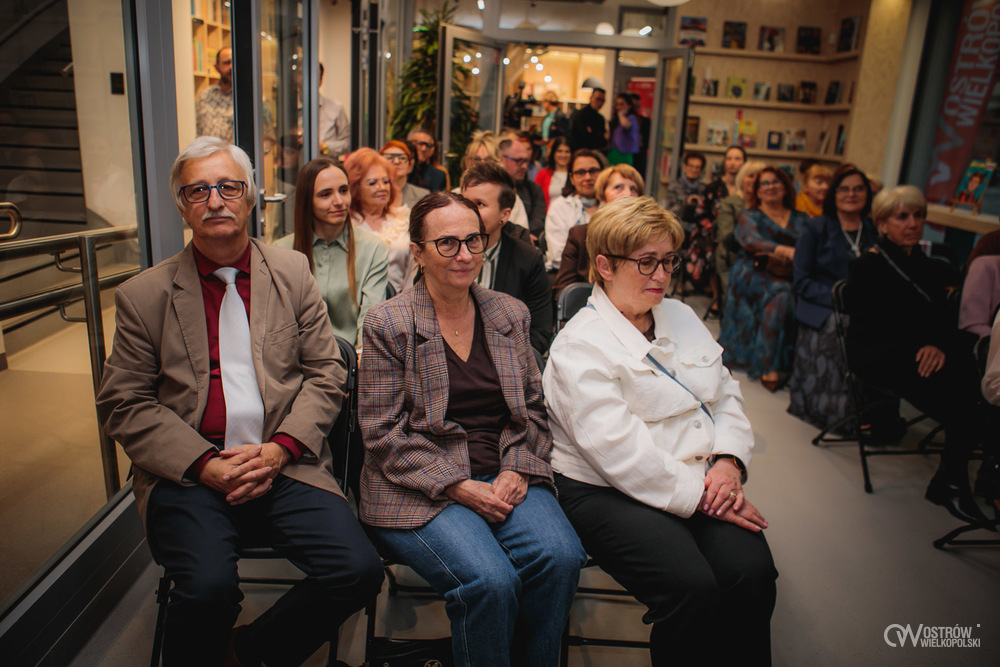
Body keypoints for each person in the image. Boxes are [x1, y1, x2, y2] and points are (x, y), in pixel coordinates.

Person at [95, 137, 383, 666]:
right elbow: (124, 402)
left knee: (359, 571)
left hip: (285, 463)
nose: (215, 201)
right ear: (181, 205)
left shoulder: (291, 273)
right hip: (189, 473)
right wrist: (204, 464)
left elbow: (327, 372)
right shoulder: (144, 296)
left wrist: (280, 450)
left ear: (250, 197)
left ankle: (250, 652)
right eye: (198, 190)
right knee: (206, 589)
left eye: (228, 187)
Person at [543, 196, 778, 667]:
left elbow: (724, 394)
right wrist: (707, 496)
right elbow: (620, 454)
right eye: (646, 262)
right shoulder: (579, 347)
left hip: (701, 476)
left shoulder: (681, 316)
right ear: (605, 266)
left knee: (752, 575)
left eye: (669, 260)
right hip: (605, 488)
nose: (662, 275)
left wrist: (729, 463)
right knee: (691, 588)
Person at [358, 191, 587, 667]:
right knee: (491, 581)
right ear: (418, 252)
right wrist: (457, 485)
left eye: (473, 240)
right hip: (418, 484)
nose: (464, 255)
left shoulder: (508, 313)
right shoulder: (388, 322)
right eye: (447, 243)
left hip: (502, 470)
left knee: (561, 558)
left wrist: (517, 468)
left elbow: (533, 409)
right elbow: (382, 433)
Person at [845, 185, 989, 525]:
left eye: (918, 216)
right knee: (964, 396)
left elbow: (947, 320)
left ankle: (952, 479)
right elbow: (872, 328)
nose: (912, 223)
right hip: (880, 354)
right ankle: (952, 482)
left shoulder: (932, 265)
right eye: (902, 217)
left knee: (976, 381)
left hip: (924, 353)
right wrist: (924, 345)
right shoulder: (867, 266)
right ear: (882, 224)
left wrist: (937, 344)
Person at [787, 165, 878, 431]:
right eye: (844, 189)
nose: (851, 194)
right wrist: (842, 301)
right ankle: (833, 414)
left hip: (865, 306)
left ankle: (873, 413)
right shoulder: (817, 227)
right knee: (842, 328)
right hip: (822, 305)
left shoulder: (874, 230)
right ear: (834, 194)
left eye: (858, 189)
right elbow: (801, 281)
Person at [275, 157, 388, 347]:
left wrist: (361, 357)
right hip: (299, 359)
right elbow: (279, 324)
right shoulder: (281, 251)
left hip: (353, 357)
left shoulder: (373, 248)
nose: (339, 201)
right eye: (325, 194)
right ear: (307, 200)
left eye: (343, 191)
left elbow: (370, 318)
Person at [719, 166, 808, 391]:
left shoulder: (802, 218)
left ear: (786, 187)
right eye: (764, 184)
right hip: (753, 271)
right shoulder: (750, 216)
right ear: (757, 191)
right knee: (782, 294)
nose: (770, 187)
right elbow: (751, 241)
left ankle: (795, 364)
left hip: (792, 272)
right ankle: (770, 365)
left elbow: (810, 247)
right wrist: (786, 251)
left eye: (775, 182)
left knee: (793, 291)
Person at [461, 161, 553, 353]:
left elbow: (540, 331)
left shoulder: (528, 260)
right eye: (465, 203)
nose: (468, 211)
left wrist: (503, 360)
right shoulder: (443, 252)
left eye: (479, 204)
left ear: (504, 215)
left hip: (507, 359)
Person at [553, 163, 644, 292]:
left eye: (634, 189)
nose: (628, 194)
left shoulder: (647, 238)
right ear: (602, 197)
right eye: (618, 187)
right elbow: (564, 292)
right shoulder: (580, 235)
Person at [344, 148, 412, 292]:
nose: (382, 188)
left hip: (400, 299)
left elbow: (412, 268)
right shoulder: (347, 225)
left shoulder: (403, 221)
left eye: (386, 182)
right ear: (356, 188)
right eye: (372, 183)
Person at [544, 149, 607, 272]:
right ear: (571, 178)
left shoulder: (612, 206)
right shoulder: (559, 207)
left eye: (593, 171)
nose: (588, 177)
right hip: (570, 275)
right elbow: (558, 256)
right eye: (580, 173)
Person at [715, 160, 765, 293]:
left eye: (759, 177)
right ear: (742, 178)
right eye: (751, 176)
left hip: (764, 260)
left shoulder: (768, 205)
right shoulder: (730, 203)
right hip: (733, 258)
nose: (754, 180)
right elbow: (726, 237)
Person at [499, 136, 546, 240]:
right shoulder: (492, 189)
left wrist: (525, 237)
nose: (525, 167)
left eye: (526, 161)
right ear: (502, 158)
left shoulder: (534, 190)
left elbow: (538, 220)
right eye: (519, 161)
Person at [195, 47, 234, 142]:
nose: (231, 67)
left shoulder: (250, 99)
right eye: (226, 63)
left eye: (234, 62)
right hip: (209, 150)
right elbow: (198, 130)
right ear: (217, 67)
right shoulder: (205, 96)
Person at [380, 140, 430, 209]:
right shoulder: (374, 192)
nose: (396, 162)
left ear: (410, 165)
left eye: (402, 158)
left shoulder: (422, 196)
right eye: (389, 158)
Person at [317, 63, 351, 159]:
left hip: (326, 164)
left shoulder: (336, 108)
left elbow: (347, 143)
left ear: (321, 80)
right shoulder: (289, 110)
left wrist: (324, 147)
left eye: (316, 76)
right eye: (301, 73)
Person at [664, 151, 706, 222]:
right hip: (678, 224)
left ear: (701, 170)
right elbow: (669, 212)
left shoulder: (703, 189)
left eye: (697, 167)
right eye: (691, 166)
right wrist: (686, 203)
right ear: (685, 167)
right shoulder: (675, 186)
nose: (693, 170)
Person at [535, 135, 572, 207]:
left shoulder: (575, 174)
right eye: (560, 151)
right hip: (548, 213)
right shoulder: (542, 174)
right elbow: (536, 198)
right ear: (553, 153)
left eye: (567, 151)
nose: (563, 155)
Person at [408, 128, 449, 192]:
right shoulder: (399, 170)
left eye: (428, 145)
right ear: (409, 143)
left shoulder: (438, 176)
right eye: (420, 144)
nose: (424, 149)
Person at [607, 93, 640, 166]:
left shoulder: (631, 118)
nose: (619, 107)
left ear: (629, 106)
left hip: (625, 154)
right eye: (617, 104)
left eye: (622, 104)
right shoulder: (617, 121)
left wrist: (621, 114)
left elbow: (626, 125)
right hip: (614, 152)